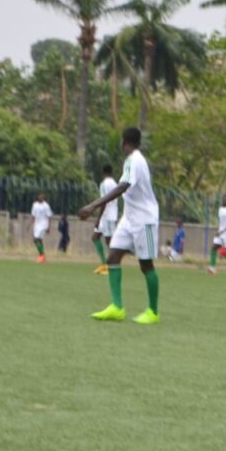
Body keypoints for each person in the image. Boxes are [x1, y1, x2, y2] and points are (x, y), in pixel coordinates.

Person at [78, 127, 161, 325]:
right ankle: (117, 307)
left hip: (145, 220)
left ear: (124, 143)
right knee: (113, 256)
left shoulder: (135, 160)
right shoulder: (130, 160)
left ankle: (153, 311)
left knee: (146, 264)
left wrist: (93, 205)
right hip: (129, 218)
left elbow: (124, 186)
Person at [91, 164, 120, 275]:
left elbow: (104, 201)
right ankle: (104, 265)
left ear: (103, 173)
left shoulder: (104, 184)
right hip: (110, 215)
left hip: (108, 216)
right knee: (95, 237)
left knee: (109, 241)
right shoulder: (115, 184)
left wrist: (98, 218)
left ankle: (111, 265)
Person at [30, 192, 53, 263]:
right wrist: (31, 223)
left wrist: (49, 227)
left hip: (43, 225)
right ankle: (43, 257)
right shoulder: (35, 205)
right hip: (37, 225)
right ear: (38, 197)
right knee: (39, 240)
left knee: (35, 239)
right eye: (40, 196)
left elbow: (49, 216)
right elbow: (33, 215)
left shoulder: (46, 206)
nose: (41, 197)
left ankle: (41, 255)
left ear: (44, 197)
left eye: (42, 196)